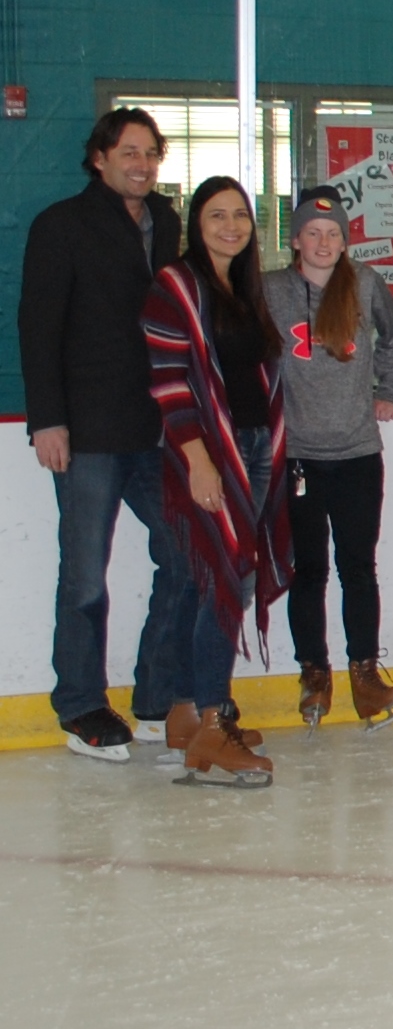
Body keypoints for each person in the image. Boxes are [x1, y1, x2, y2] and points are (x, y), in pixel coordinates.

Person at [18, 107, 197, 759]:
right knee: (86, 575)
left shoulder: (167, 223)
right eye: (129, 152)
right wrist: (48, 420)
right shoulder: (60, 226)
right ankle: (82, 704)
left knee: (187, 556)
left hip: (156, 427)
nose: (142, 164)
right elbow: (38, 329)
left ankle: (155, 697)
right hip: (88, 430)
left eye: (151, 153)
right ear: (99, 157)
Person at [142, 177, 293, 786]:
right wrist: (199, 460)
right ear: (195, 224)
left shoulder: (244, 287)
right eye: (216, 216)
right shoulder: (174, 286)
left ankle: (184, 711)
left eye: (240, 216)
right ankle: (211, 720)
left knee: (208, 578)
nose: (230, 226)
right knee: (228, 578)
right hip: (208, 457)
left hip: (254, 449)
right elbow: (169, 383)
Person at [264, 187, 393, 729]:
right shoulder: (272, 291)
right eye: (313, 233)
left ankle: (365, 673)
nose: (324, 242)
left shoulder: (365, 284)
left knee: (358, 568)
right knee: (308, 571)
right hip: (298, 455)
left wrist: (390, 390)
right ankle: (313, 672)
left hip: (356, 453)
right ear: (296, 239)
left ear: (345, 242)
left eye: (334, 234)